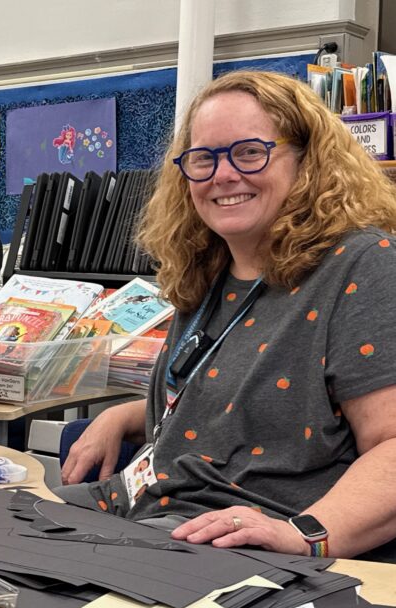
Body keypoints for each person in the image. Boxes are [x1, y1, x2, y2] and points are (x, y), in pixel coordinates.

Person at [59, 70, 396, 560]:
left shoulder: (364, 264)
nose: (222, 175)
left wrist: (307, 534)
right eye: (203, 158)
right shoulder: (209, 268)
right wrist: (124, 416)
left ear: (307, 160)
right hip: (146, 515)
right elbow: (234, 404)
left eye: (249, 152)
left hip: (246, 543)